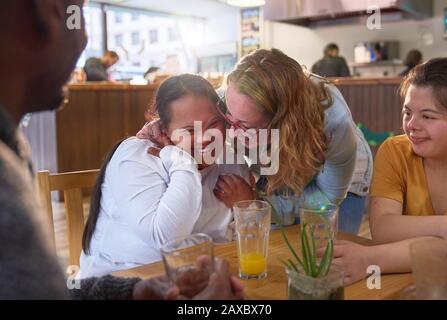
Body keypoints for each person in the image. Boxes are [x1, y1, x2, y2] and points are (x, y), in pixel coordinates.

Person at [0, 0, 243, 299]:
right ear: (49, 12)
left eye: (215, 123)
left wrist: (132, 291)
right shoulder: (143, 156)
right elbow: (165, 237)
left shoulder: (11, 151)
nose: (84, 37)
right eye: (78, 12)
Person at [79, 74, 251, 278]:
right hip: (122, 282)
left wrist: (248, 203)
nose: (206, 138)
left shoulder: (230, 157)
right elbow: (167, 239)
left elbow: (244, 237)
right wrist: (179, 159)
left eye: (214, 124)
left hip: (199, 278)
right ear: (164, 129)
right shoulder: (137, 158)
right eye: (189, 130)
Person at [219, 48, 371, 234]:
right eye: (228, 118)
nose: (232, 135)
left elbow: (328, 198)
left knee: (326, 251)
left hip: (341, 177)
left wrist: (253, 201)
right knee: (274, 249)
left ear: (281, 122)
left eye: (245, 126)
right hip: (283, 162)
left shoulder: (334, 124)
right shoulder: (231, 95)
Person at [326, 58, 447, 285]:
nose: (412, 124)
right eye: (407, 113)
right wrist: (445, 227)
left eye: (428, 116)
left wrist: (369, 259)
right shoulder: (395, 151)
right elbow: (383, 228)